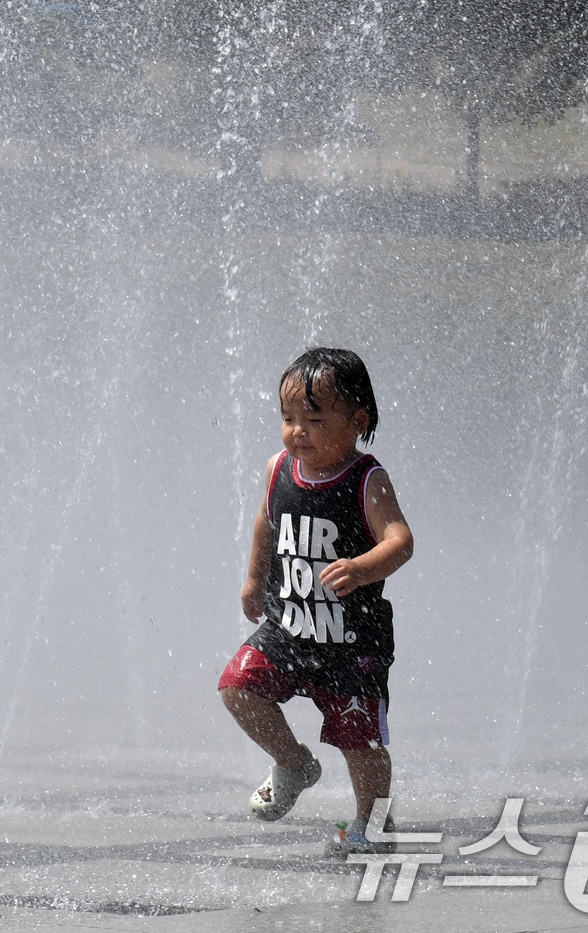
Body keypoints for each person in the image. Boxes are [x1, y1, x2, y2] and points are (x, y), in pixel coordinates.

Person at [217, 347, 414, 857]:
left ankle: (372, 824)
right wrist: (254, 579)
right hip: (288, 625)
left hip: (351, 642)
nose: (296, 430)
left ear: (357, 421)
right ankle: (293, 762)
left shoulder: (366, 479)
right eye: (288, 418)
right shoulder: (279, 467)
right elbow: (267, 521)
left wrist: (363, 567)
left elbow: (400, 540)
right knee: (238, 687)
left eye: (314, 418)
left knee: (360, 742)